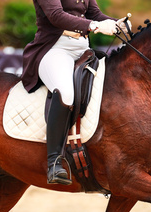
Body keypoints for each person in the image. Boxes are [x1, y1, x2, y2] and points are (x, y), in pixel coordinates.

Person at [21, 0, 131, 185]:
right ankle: (54, 161)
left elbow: (94, 14)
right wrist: (95, 26)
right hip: (54, 49)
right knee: (66, 93)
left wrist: (115, 23)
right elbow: (56, 15)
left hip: (82, 49)